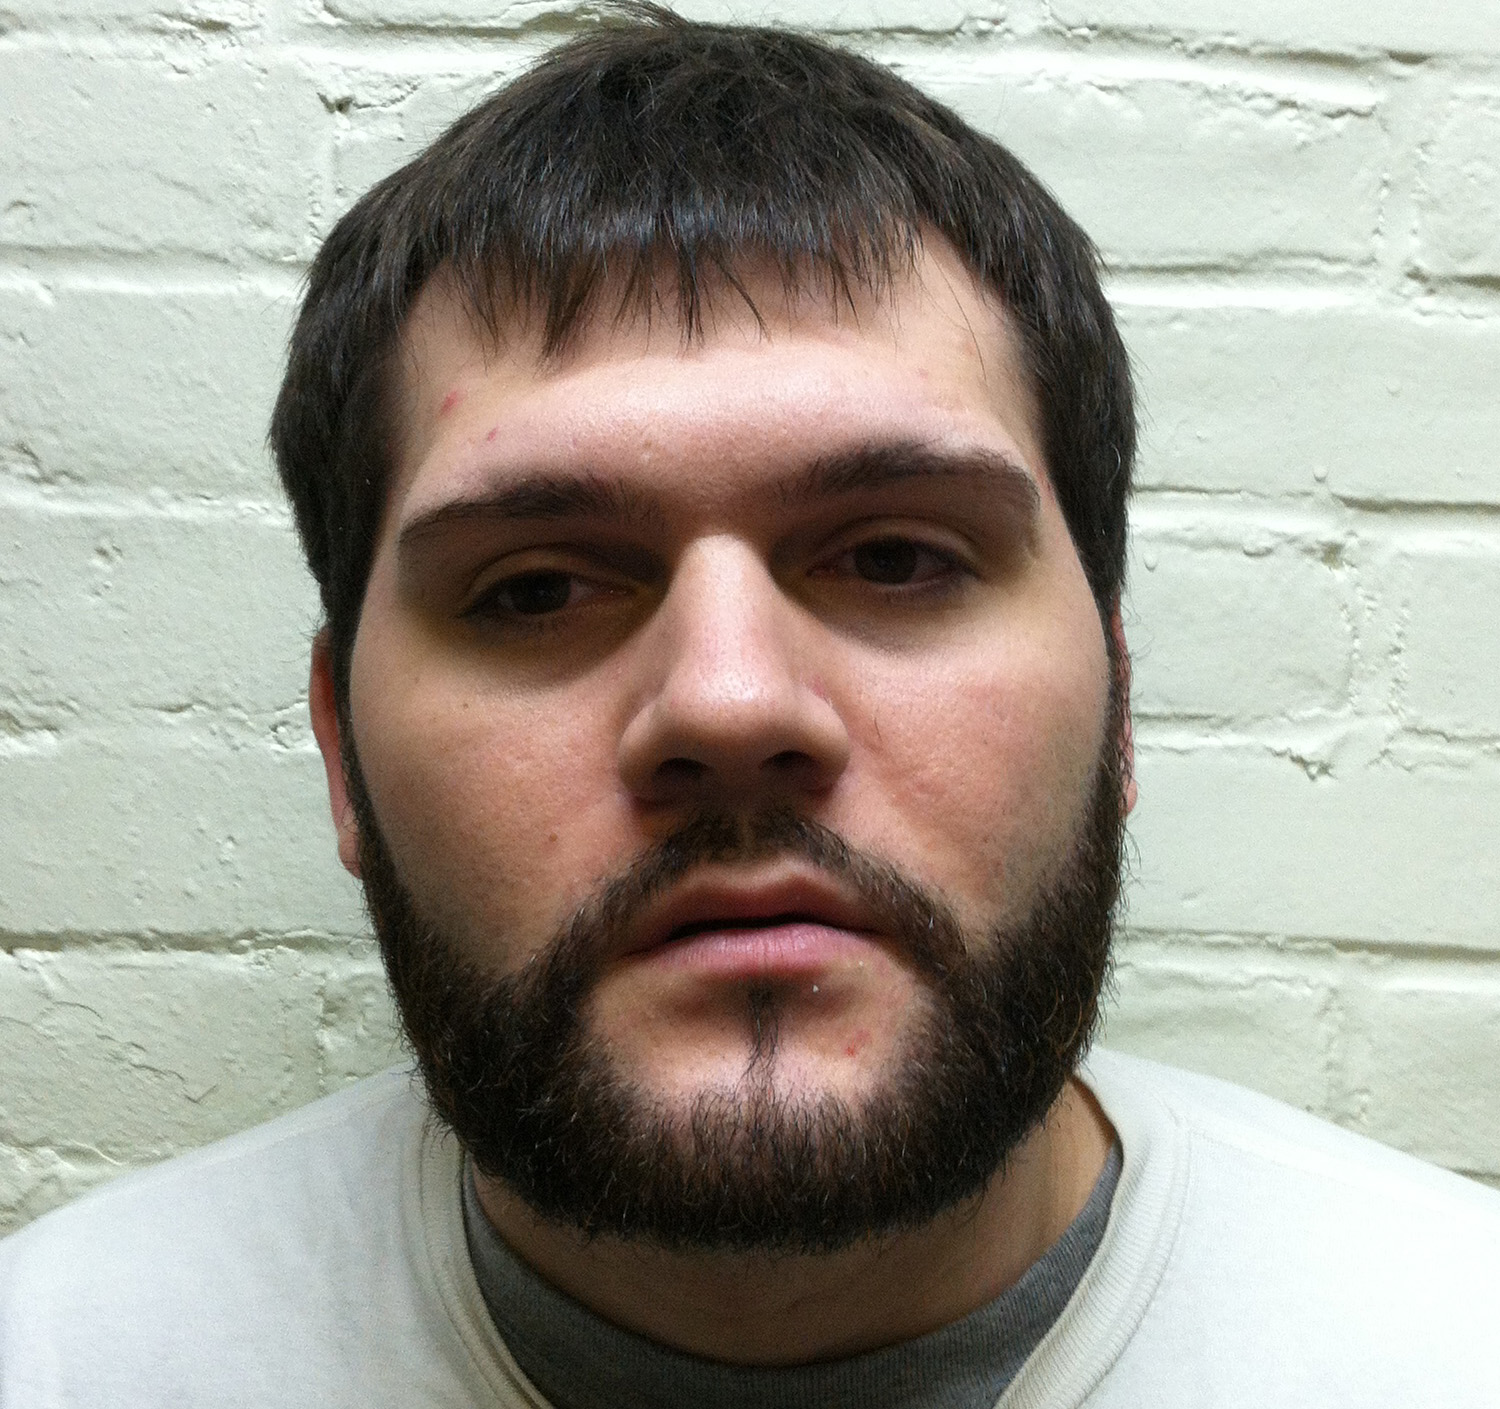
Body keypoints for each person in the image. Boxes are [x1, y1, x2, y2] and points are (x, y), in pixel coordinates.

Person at [1, 6, 1496, 1406]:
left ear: (1117, 714)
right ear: (342, 759)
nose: (727, 705)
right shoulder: (65, 1360)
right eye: (534, 587)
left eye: (897, 556)